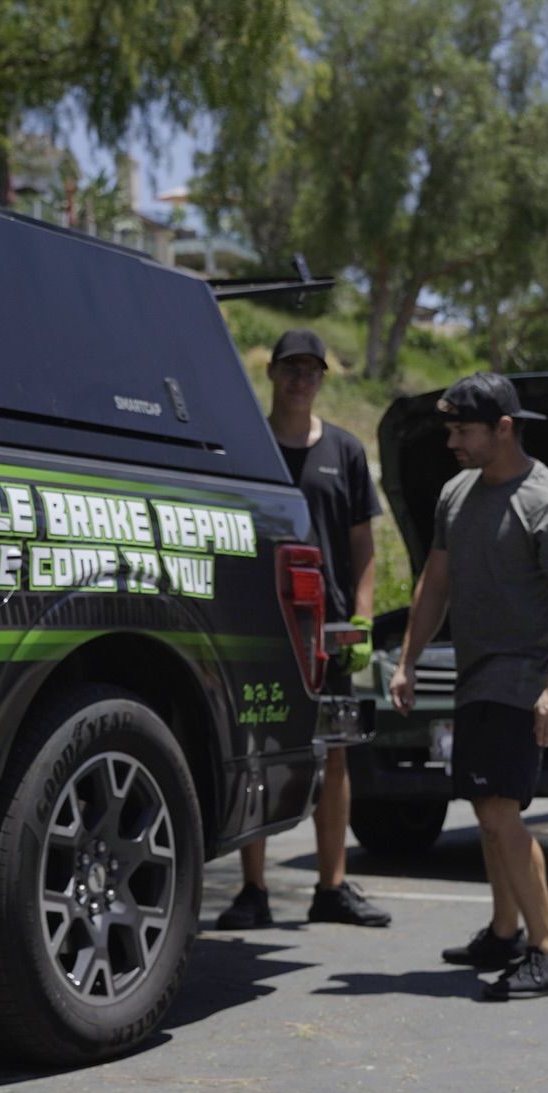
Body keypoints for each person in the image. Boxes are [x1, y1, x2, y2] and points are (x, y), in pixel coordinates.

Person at [388, 372, 548, 997]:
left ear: (503, 428)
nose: (451, 441)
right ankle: (505, 931)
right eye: (449, 428)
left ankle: (547, 950)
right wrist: (407, 659)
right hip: (476, 676)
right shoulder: (457, 494)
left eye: (461, 429)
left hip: (519, 678)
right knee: (486, 809)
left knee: (501, 813)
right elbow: (436, 581)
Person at [217, 329, 392, 930]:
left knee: (336, 757)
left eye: (311, 370)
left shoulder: (343, 450)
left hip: (330, 628)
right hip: (262, 627)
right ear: (272, 374)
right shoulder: (250, 446)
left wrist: (363, 618)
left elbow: (362, 544)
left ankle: (332, 885)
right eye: (291, 368)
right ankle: (254, 890)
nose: (301, 379)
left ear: (321, 379)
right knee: (258, 753)